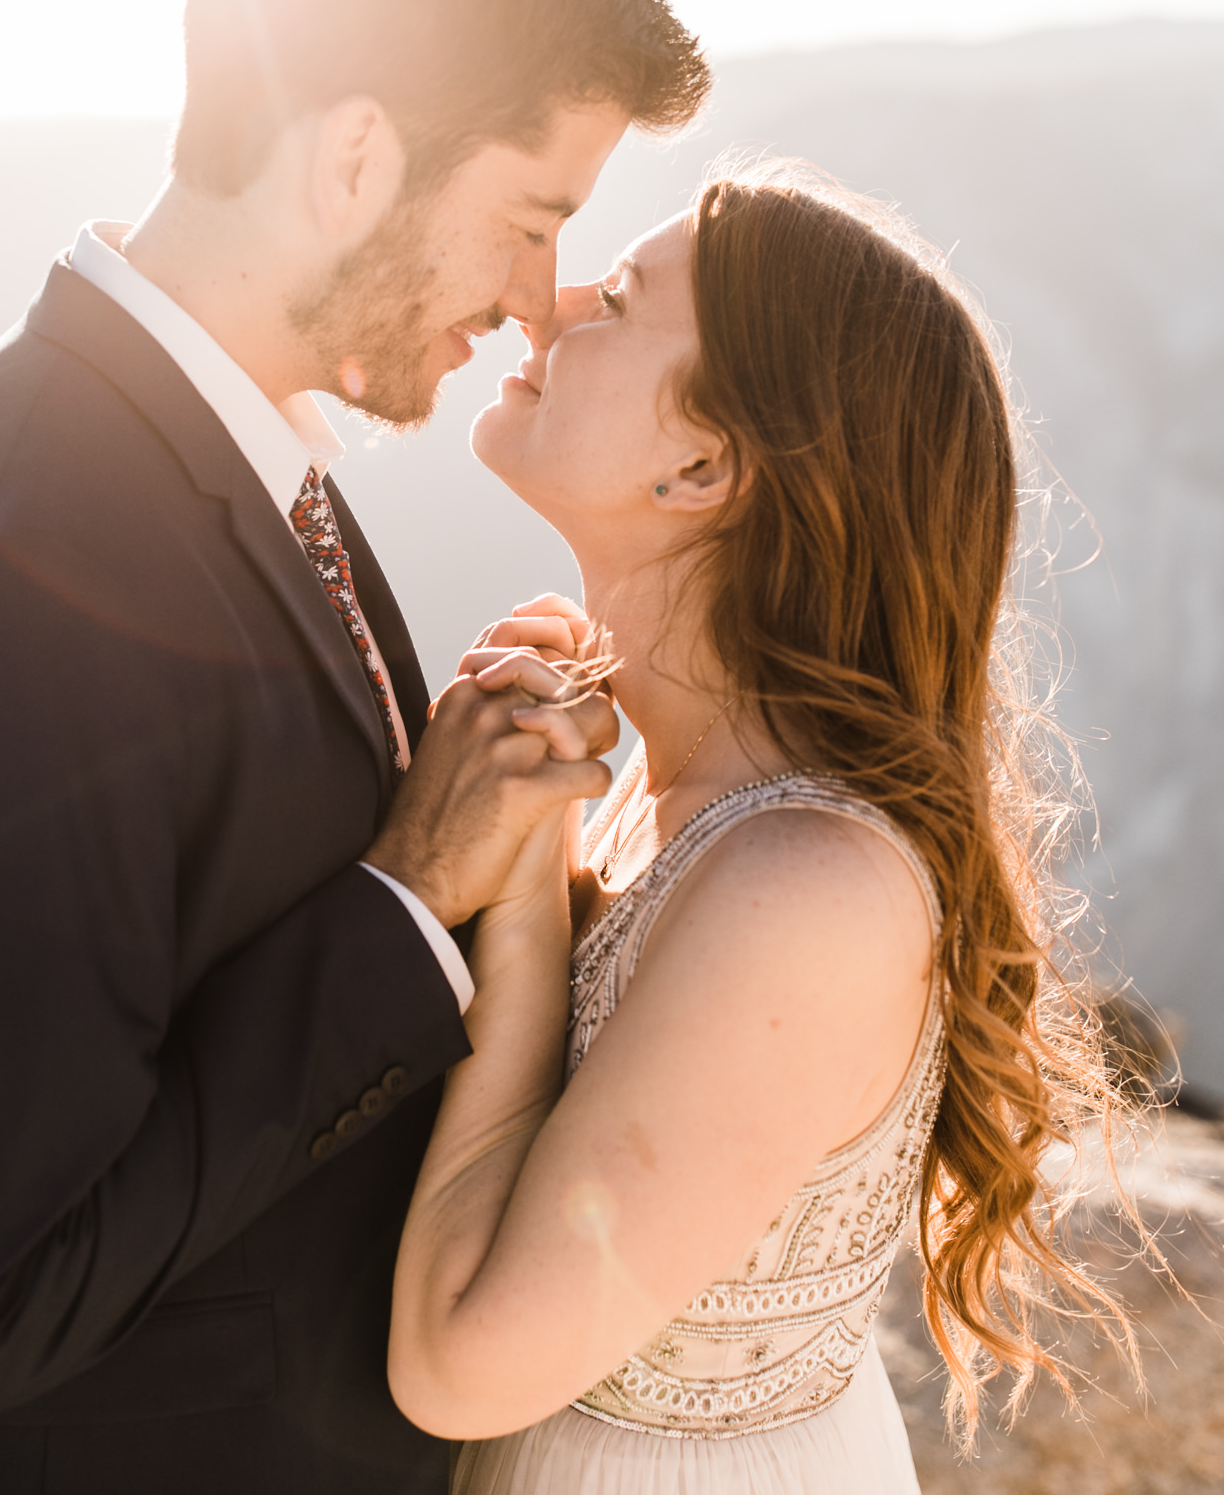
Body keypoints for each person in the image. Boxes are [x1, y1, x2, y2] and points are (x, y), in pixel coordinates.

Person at [0, 0, 709, 1492]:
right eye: (530, 217)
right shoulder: (21, 559)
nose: (538, 301)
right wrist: (410, 892)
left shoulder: (228, 469)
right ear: (355, 159)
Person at [387, 161, 1134, 1494]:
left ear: (703, 463)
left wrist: (521, 905)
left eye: (615, 297)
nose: (546, 303)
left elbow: (463, 1364)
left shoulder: (805, 890)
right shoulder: (666, 795)